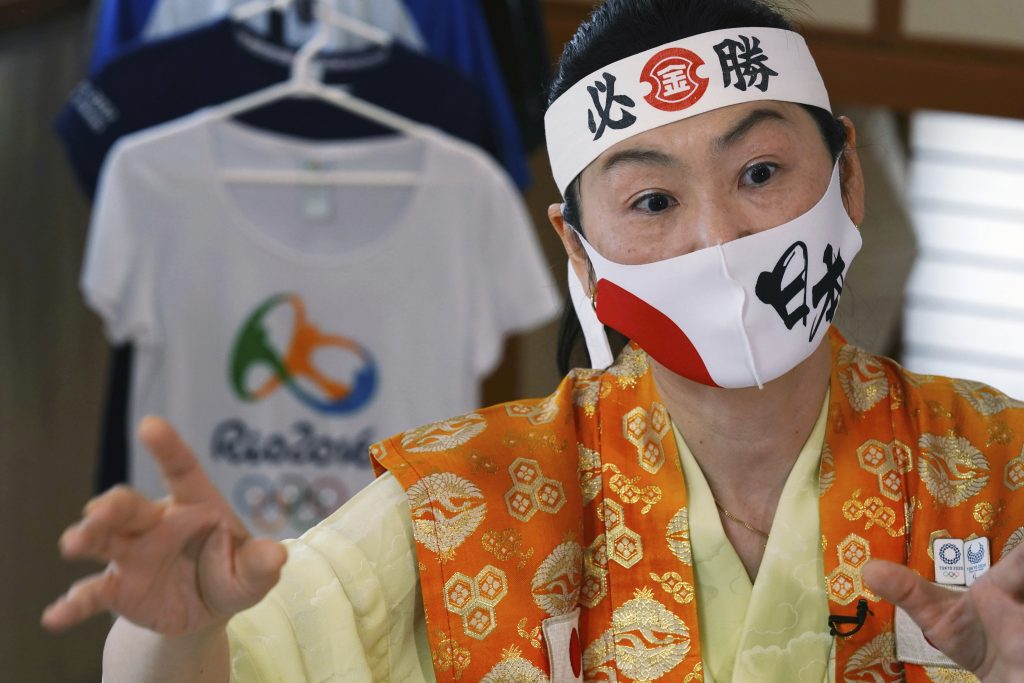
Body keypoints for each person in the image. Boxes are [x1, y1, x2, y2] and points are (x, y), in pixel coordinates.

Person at [44, 1, 1024, 681]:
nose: (717, 238)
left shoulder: (998, 466)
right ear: (580, 248)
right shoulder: (466, 498)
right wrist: (172, 629)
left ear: (847, 180)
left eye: (761, 172)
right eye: (650, 199)